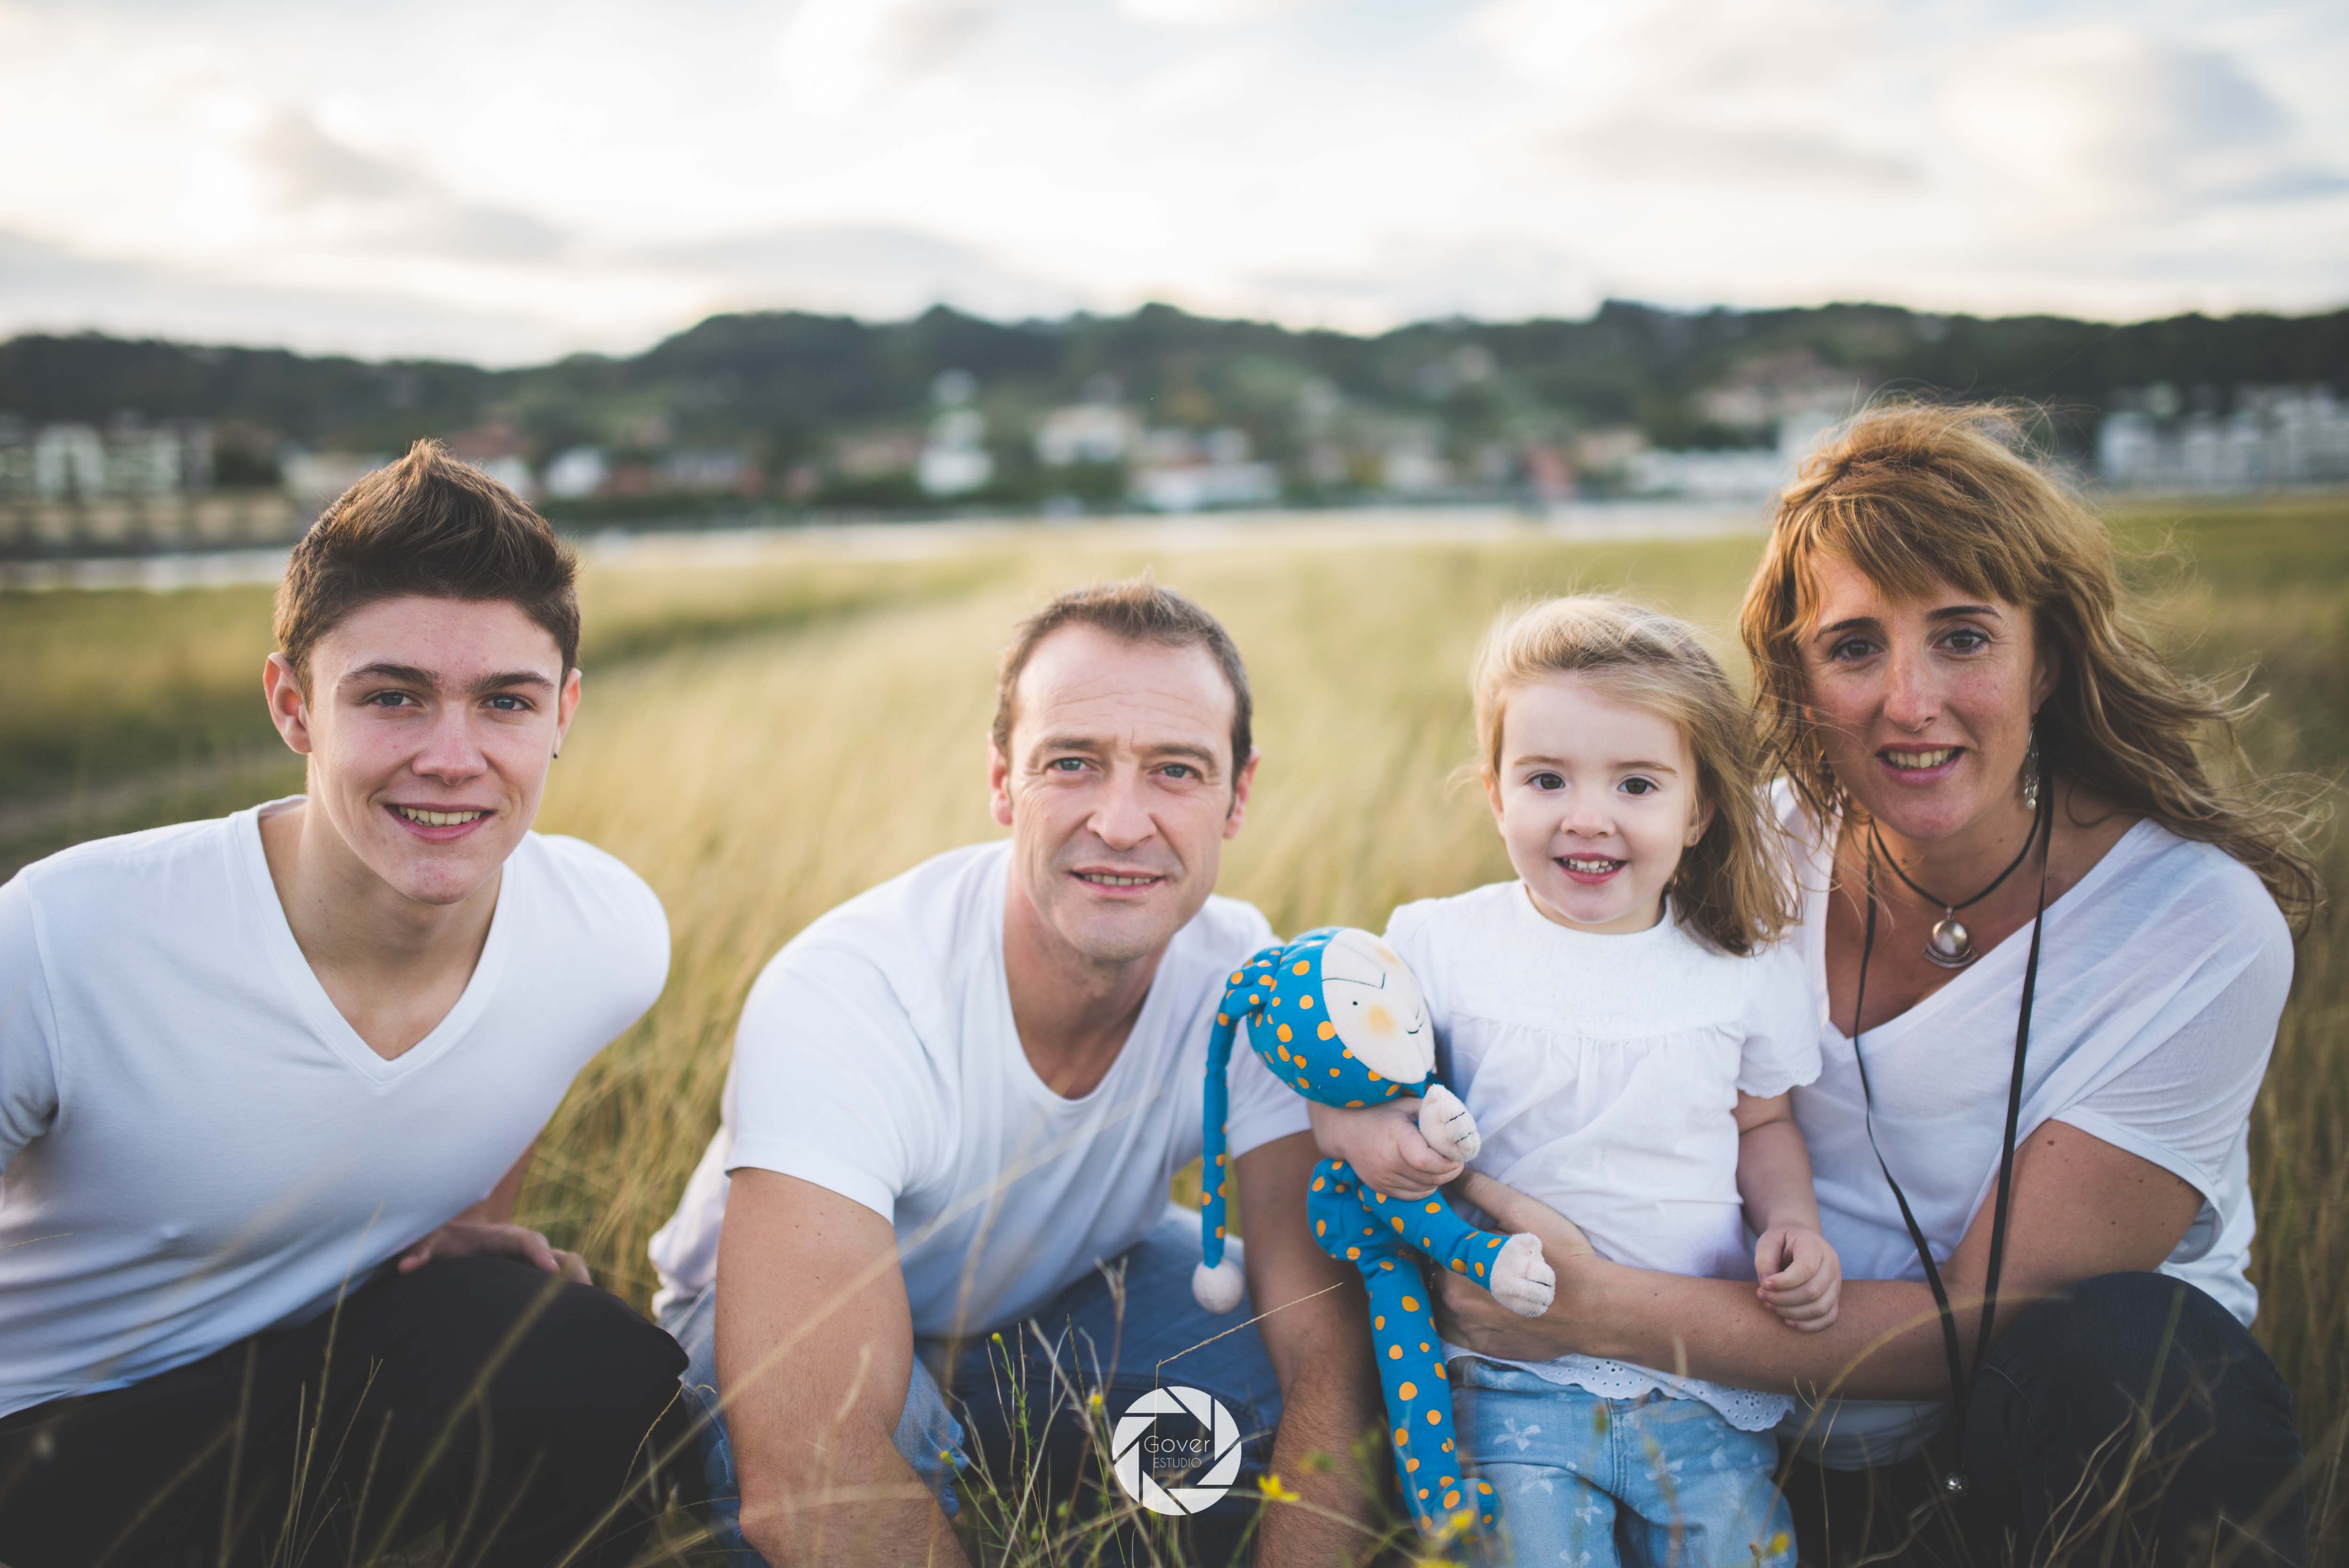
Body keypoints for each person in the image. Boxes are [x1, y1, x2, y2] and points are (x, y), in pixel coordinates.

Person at [1431, 404, 2316, 1566]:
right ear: (1799, 678)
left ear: (2044, 656)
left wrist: (1593, 1312)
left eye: (1961, 637)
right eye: (1854, 646)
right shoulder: (1748, 851)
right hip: (1746, 1431)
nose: (1908, 699)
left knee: (2135, 1350)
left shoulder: (2192, 926)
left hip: (2022, 1445)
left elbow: (1996, 1319)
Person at [0, 442, 687, 1568]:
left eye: (503, 701)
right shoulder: (69, 933)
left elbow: (506, 1063)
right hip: (48, 1435)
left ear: (562, 711)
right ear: (293, 705)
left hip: (302, 1394)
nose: (452, 757)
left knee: (597, 1365)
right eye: (393, 697)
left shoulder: (608, 934)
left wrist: (461, 1223)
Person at [647, 576, 1385, 1568]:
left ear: (1237, 794)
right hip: (783, 1319)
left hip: (1059, 1295)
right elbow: (809, 1473)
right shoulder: (856, 992)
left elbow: (1319, 1337)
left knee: (1271, 1384)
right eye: (1071, 763)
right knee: (867, 1450)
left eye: (1175, 770)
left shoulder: (1246, 985)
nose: (1121, 824)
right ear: (1002, 782)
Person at [1308, 596, 1841, 1567]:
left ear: (1701, 809)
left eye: (1636, 784)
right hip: (1506, 1380)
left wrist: (1793, 1225)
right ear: (1495, 794)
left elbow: (1764, 1126)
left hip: (1697, 1382)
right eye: (1546, 778)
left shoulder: (1741, 969)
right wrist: (1362, 1134)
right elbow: (1346, 1076)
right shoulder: (1441, 941)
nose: (1585, 817)